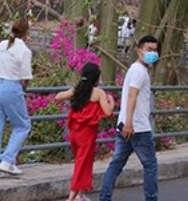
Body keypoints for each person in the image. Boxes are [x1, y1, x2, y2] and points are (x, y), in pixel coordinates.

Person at [99, 35, 161, 201]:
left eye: (155, 50)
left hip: (127, 125)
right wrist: (129, 123)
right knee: (150, 165)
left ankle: (104, 197)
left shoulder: (135, 69)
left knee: (116, 164)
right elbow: (132, 96)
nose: (153, 53)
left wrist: (126, 122)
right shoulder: (139, 72)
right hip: (138, 127)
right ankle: (151, 198)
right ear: (140, 51)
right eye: (149, 49)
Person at [55, 62, 115, 201]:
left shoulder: (77, 90)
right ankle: (71, 197)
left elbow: (58, 96)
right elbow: (107, 112)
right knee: (82, 164)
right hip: (87, 135)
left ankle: (80, 194)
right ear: (96, 78)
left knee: (83, 162)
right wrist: (111, 102)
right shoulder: (98, 93)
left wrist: (72, 91)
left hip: (75, 132)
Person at [0, 19, 33, 179]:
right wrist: (22, 90)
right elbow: (25, 77)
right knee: (23, 125)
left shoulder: (2, 45)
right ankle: (7, 159)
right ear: (26, 33)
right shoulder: (24, 51)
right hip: (11, 87)